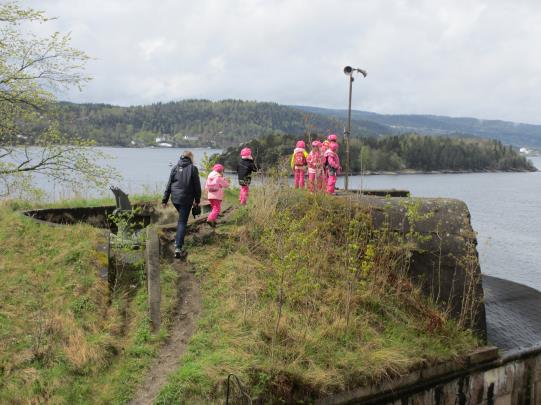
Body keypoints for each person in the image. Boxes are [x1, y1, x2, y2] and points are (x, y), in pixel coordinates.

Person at [162, 151, 201, 258]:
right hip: (186, 198)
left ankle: (180, 237)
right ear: (190, 158)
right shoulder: (193, 168)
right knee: (182, 221)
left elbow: (169, 185)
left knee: (182, 219)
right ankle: (178, 247)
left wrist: (165, 200)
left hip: (175, 199)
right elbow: (197, 186)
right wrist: (197, 200)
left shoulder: (175, 168)